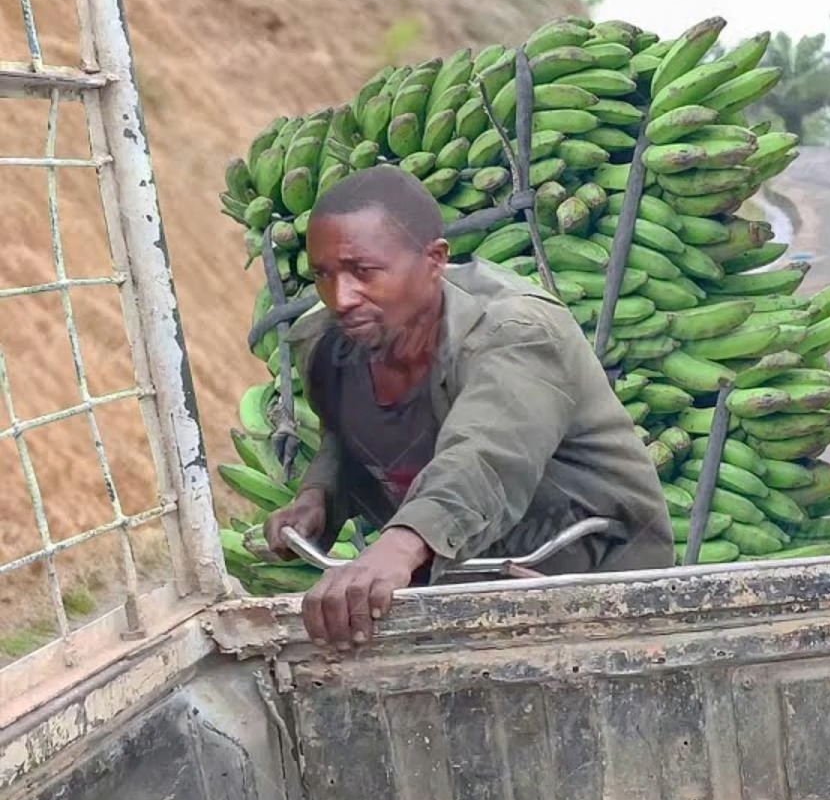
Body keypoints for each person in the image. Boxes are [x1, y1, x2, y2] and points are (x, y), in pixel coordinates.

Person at [263, 165, 675, 649]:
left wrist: (399, 545)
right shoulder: (334, 347)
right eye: (323, 276)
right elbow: (352, 435)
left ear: (434, 260)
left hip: (593, 587)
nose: (341, 297)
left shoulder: (516, 332)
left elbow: (486, 456)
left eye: (362, 271)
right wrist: (320, 497)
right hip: (464, 580)